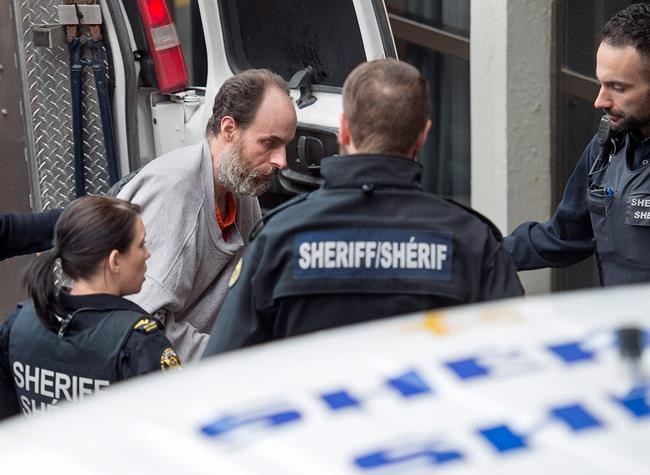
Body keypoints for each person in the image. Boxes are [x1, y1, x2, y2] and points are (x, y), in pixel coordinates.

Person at [203, 58, 524, 357]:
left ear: (344, 129)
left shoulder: (278, 240)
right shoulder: (473, 241)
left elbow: (222, 368)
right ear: (423, 136)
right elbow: (515, 359)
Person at [117, 69, 297, 363]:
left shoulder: (241, 189)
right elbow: (139, 329)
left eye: (285, 145)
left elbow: (248, 290)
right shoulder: (175, 193)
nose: (282, 161)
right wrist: (236, 357)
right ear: (229, 129)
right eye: (269, 143)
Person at [503, 3, 650, 286]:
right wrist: (483, 254)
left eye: (618, 88)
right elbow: (564, 236)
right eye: (601, 84)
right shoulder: (607, 147)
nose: (600, 101)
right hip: (619, 314)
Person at [0, 196, 180, 420]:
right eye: (141, 244)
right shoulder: (139, 343)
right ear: (115, 261)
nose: (147, 253)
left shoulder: (19, 323)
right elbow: (176, 423)